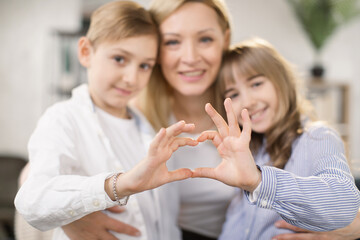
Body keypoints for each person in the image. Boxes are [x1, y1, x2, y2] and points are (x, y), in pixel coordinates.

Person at [14, 1, 198, 240]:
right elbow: (33, 201)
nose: (132, 78)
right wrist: (119, 185)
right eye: (120, 59)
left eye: (144, 65)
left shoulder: (151, 130)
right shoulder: (62, 120)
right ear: (85, 52)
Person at [62, 1, 235, 240]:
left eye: (205, 39)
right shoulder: (131, 115)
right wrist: (69, 219)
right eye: (172, 42)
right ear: (154, 49)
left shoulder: (251, 109)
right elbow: (37, 176)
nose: (191, 57)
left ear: (225, 40)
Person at [191, 38, 360, 239]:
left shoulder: (317, 137)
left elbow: (344, 203)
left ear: (281, 80)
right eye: (234, 94)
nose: (248, 102)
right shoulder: (252, 152)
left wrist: (260, 181)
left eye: (256, 84)